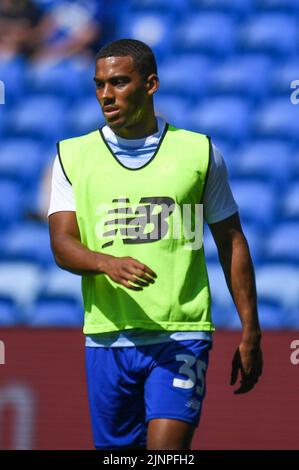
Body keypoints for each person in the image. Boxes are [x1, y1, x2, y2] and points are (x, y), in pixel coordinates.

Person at [48, 38, 263, 450]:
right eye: (99, 85)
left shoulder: (198, 152)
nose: (106, 96)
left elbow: (232, 242)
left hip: (181, 333)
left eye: (119, 82)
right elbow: (62, 245)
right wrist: (106, 263)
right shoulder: (72, 156)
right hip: (107, 335)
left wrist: (250, 328)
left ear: (150, 85)